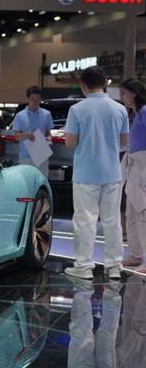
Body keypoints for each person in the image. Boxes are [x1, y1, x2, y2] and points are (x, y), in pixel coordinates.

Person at [64, 66, 129, 280]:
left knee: (85, 220)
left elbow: (70, 142)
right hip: (112, 172)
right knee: (112, 220)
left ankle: (84, 266)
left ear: (83, 85)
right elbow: (124, 142)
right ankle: (114, 266)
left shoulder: (77, 109)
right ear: (105, 82)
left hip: (85, 173)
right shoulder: (119, 109)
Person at [119, 79, 146, 269]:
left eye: (123, 93)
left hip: (143, 166)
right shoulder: (137, 114)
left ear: (134, 93)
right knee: (131, 212)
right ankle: (136, 255)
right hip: (133, 165)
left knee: (142, 212)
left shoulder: (144, 112)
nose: (122, 97)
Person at [11, 86, 54, 177]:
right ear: (28, 99)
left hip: (41, 154)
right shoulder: (20, 115)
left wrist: (48, 142)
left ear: (40, 99)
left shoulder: (46, 114)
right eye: (32, 99)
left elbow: (48, 134)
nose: (35, 101)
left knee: (42, 180)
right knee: (26, 181)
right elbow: (16, 136)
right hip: (25, 156)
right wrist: (26, 135)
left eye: (38, 99)